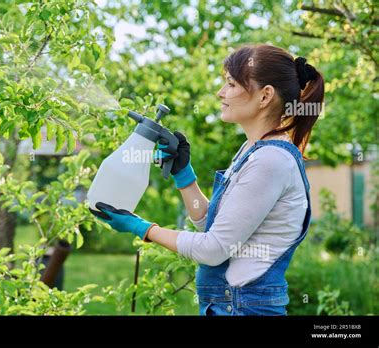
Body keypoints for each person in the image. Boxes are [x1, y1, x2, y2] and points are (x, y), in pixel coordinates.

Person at [90, 44, 325, 316]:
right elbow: (213, 228)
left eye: (231, 84)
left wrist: (141, 227)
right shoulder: (252, 151)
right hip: (230, 306)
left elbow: (213, 250)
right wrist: (184, 175)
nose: (221, 93)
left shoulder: (270, 161)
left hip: (245, 309)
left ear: (265, 96)